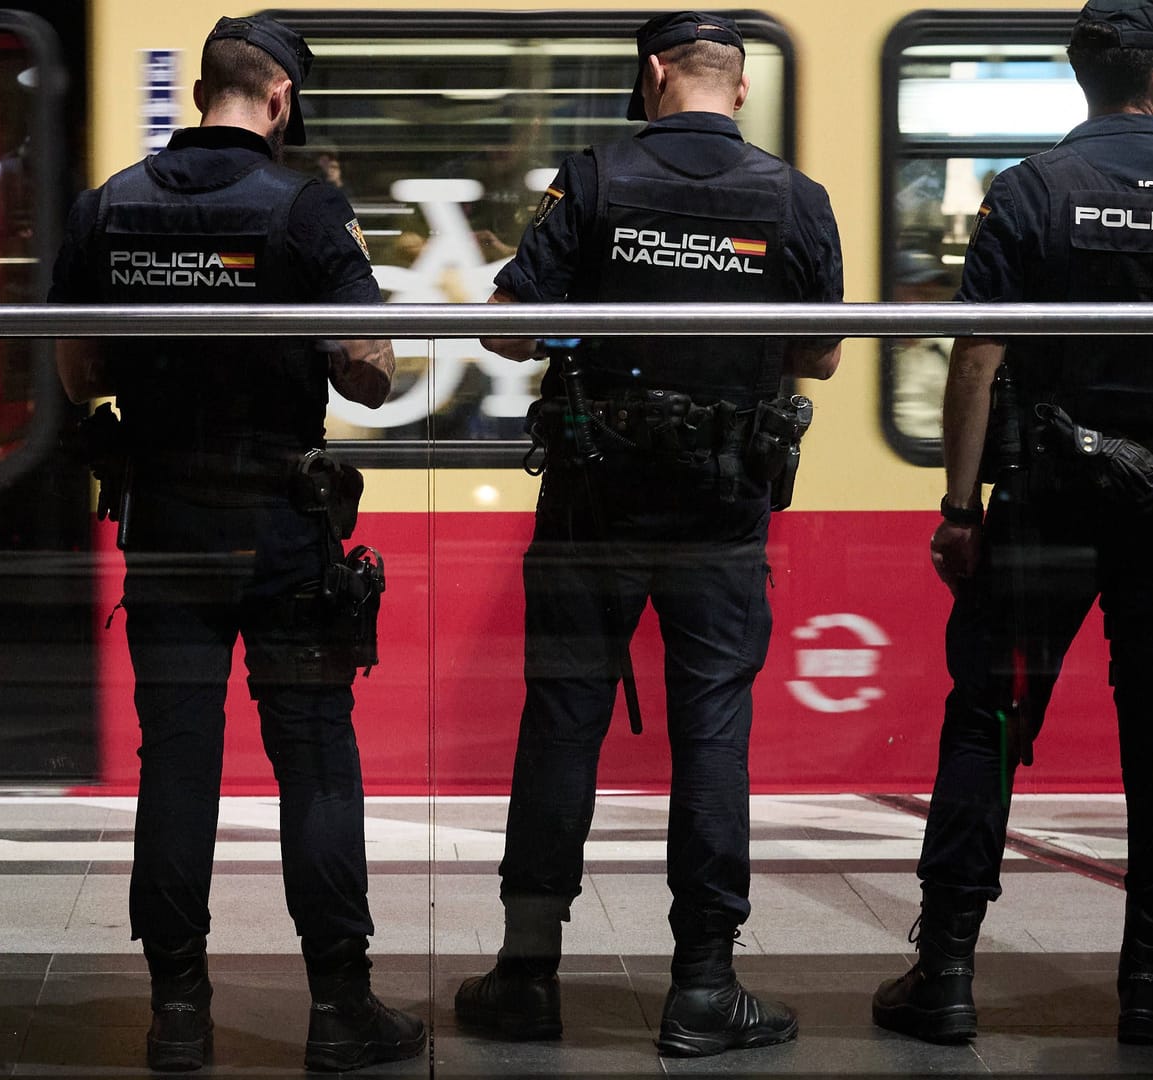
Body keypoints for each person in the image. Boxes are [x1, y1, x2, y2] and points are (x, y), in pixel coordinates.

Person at [871, 0, 1153, 1047]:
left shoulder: (1031, 191)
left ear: (1085, 80)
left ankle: (950, 975)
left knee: (989, 721)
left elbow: (977, 356)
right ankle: (1151, 982)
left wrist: (959, 507)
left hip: (1045, 498)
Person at [458, 11, 843, 1059]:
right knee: (713, 733)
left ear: (655, 73)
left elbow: (505, 325)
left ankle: (528, 976)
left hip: (594, 502)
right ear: (743, 87)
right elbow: (821, 359)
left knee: (562, 723)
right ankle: (706, 988)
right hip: (723, 509)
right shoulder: (794, 198)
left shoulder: (591, 179)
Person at [48, 15, 424, 1074]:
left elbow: (79, 372)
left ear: (201, 92)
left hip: (165, 522)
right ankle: (339, 1012)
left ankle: (176, 1013)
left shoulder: (108, 204)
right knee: (310, 758)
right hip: (282, 529)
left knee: (177, 761)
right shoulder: (305, 208)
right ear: (280, 101)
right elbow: (370, 372)